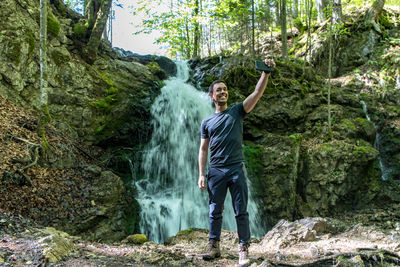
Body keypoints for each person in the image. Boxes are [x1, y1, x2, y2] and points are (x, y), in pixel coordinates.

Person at [198, 58, 275, 267]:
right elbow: (203, 149)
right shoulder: (207, 122)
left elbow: (256, 94)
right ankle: (214, 246)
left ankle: (243, 248)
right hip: (215, 170)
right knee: (215, 210)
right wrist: (201, 174)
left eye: (225, 89)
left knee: (241, 210)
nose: (223, 92)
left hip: (235, 168)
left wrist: (265, 74)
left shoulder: (236, 111)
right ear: (212, 96)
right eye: (219, 90)